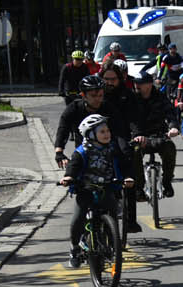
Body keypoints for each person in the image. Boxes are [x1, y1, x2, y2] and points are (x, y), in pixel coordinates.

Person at [58, 113, 135, 265]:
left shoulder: (112, 149)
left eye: (108, 131)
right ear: (91, 134)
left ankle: (113, 246)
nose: (107, 134)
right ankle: (74, 248)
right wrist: (68, 177)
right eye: (102, 132)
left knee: (112, 213)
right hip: (85, 189)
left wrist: (127, 177)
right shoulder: (82, 151)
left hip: (107, 188)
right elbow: (74, 166)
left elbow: (124, 164)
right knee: (79, 218)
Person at [127, 69, 181, 197]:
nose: (136, 85)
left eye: (140, 83)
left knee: (170, 148)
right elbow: (130, 119)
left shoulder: (161, 97)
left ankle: (167, 181)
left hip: (158, 135)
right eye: (135, 82)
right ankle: (139, 187)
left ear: (149, 84)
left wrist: (173, 127)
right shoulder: (132, 99)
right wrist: (137, 135)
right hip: (139, 136)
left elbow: (170, 114)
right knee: (133, 152)